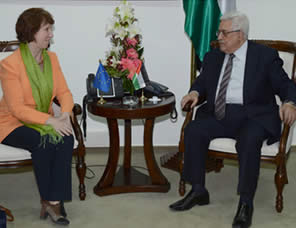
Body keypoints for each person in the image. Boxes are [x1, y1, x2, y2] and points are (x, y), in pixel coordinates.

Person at [169, 11, 296, 228]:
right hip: (220, 112)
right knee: (194, 131)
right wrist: (195, 93)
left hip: (254, 115)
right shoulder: (213, 56)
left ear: (241, 35)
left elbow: (286, 85)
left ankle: (246, 202)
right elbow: (202, 82)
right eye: (219, 31)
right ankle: (198, 190)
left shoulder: (264, 56)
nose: (219, 37)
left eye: (224, 32)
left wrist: (290, 103)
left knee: (248, 140)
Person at [0, 8, 74, 226]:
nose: (51, 34)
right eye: (47, 29)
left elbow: (64, 93)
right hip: (11, 123)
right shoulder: (10, 64)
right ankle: (52, 203)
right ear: (31, 32)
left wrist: (66, 115)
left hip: (42, 118)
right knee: (43, 142)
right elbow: (17, 109)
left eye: (51, 29)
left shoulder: (52, 58)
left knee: (66, 137)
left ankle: (52, 200)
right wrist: (52, 121)